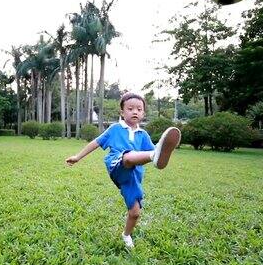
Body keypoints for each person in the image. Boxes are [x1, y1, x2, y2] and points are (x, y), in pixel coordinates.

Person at [65, 93, 181, 248]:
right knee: (128, 157)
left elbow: (148, 155)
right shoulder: (115, 129)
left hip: (133, 176)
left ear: (143, 113)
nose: (135, 112)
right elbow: (96, 143)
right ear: (122, 112)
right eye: (130, 108)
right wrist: (78, 157)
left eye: (139, 109)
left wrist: (160, 157)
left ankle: (126, 235)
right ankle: (155, 156)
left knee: (135, 212)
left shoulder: (143, 135)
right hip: (116, 164)